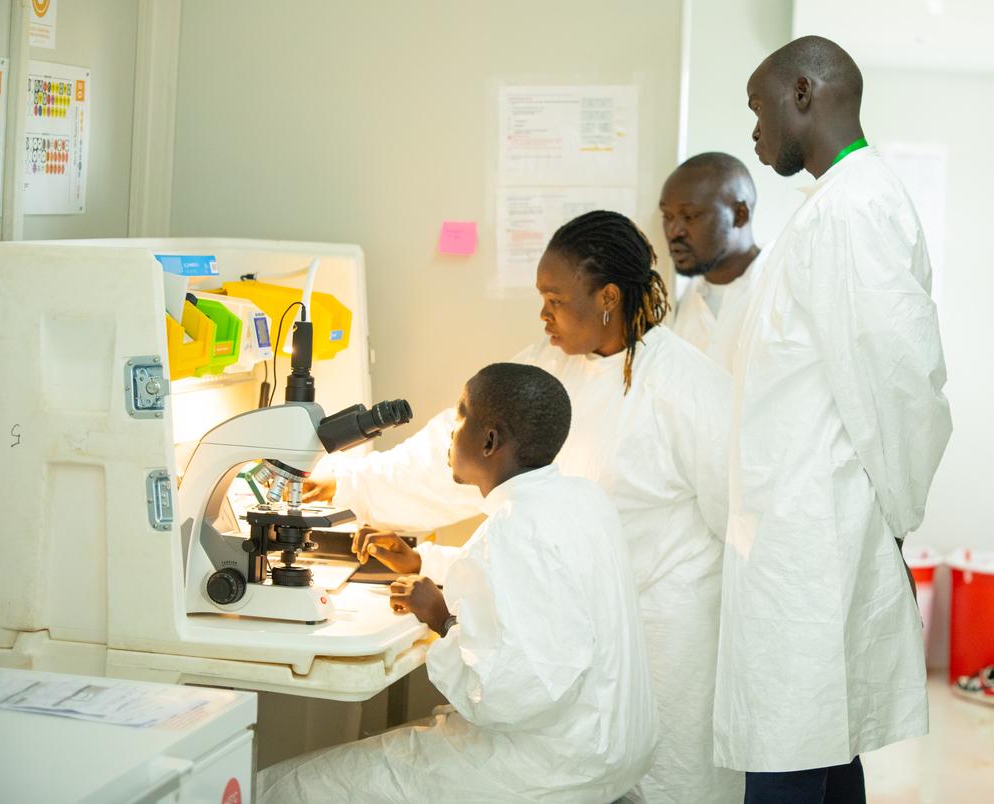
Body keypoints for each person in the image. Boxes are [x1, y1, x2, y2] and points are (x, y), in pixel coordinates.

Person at [305, 211, 743, 803]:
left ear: (608, 298)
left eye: (556, 300)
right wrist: (351, 483)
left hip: (666, 640)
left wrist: (439, 613)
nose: (544, 315)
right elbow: (455, 446)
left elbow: (742, 527)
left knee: (667, 788)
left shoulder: (689, 388)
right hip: (565, 652)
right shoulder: (549, 361)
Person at [714, 35, 953, 804]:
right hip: (800, 537)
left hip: (815, 540)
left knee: (791, 756)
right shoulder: (835, 208)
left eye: (759, 107)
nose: (753, 131)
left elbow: (899, 382)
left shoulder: (855, 208)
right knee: (820, 747)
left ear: (805, 94)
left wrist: (894, 512)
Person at [258, 363, 657, 803]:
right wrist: (418, 561)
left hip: (546, 766)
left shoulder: (515, 525)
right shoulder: (580, 499)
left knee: (285, 788)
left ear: (489, 442)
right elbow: (532, 582)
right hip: (610, 748)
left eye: (459, 417)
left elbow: (504, 695)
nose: (450, 433)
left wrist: (439, 619)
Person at [661, 152, 767, 369]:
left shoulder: (785, 289)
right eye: (667, 216)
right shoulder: (673, 301)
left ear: (740, 215)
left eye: (689, 216)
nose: (674, 231)